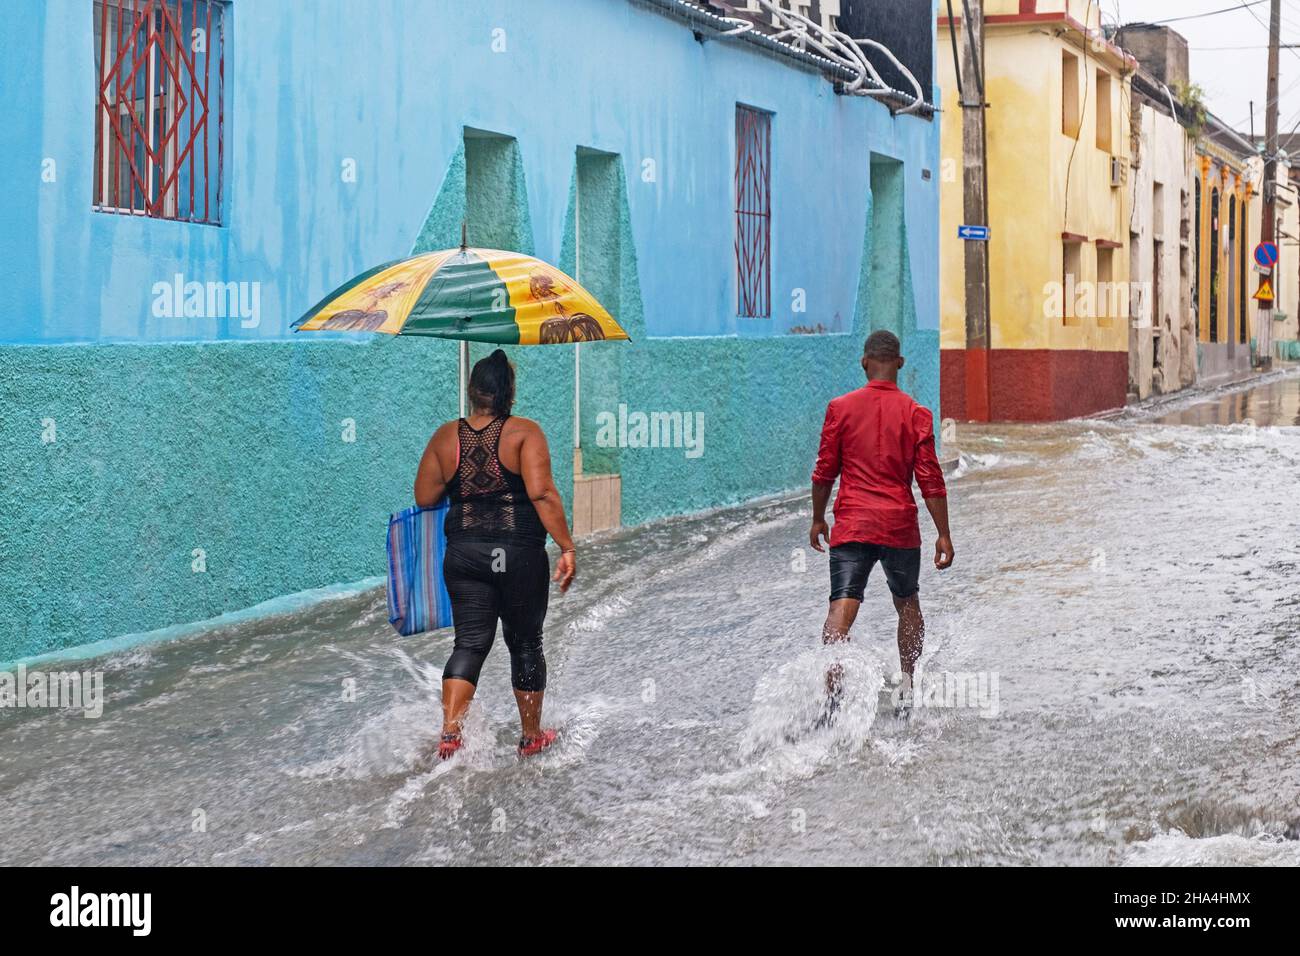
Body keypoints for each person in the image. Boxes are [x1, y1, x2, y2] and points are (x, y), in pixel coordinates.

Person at [414, 349, 577, 759]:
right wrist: (566, 545)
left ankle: (450, 733)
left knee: (469, 643)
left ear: (472, 392)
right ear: (510, 392)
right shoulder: (525, 433)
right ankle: (530, 736)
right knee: (524, 643)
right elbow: (541, 492)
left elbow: (424, 495)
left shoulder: (444, 436)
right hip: (517, 553)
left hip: (465, 554)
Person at [809, 330, 953, 718]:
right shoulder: (916, 414)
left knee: (842, 606)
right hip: (898, 526)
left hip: (852, 524)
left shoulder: (840, 408)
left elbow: (824, 471)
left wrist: (818, 517)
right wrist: (943, 533)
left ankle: (832, 696)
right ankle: (907, 686)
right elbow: (930, 480)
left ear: (864, 362)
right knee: (907, 604)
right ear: (900, 364)